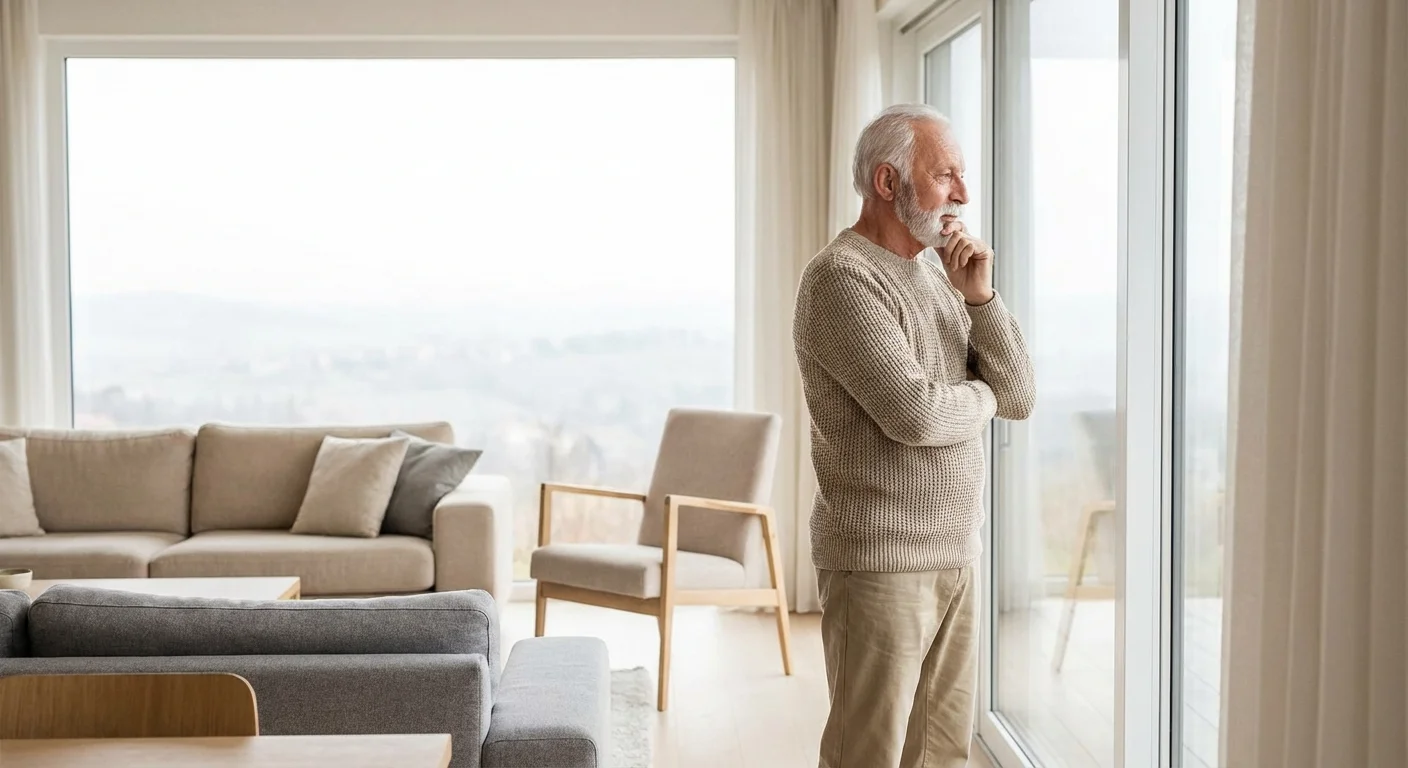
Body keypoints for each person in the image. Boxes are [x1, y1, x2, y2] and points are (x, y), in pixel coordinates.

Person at [793, 103, 1036, 768]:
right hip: (878, 562)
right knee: (866, 754)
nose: (962, 192)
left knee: (941, 754)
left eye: (961, 175)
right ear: (888, 183)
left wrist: (981, 300)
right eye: (945, 175)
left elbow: (1018, 395)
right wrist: (980, 394)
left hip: (956, 553)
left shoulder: (941, 273)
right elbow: (917, 415)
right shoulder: (842, 278)